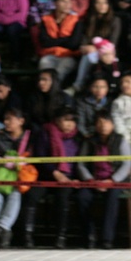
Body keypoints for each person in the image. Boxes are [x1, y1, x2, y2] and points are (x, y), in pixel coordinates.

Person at [23, 105, 83, 248]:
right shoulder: (45, 132)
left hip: (67, 178)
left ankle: (60, 237)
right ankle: (27, 236)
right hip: (46, 176)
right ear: (57, 120)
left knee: (63, 198)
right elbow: (40, 156)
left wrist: (74, 177)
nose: (69, 124)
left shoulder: (78, 137)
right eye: (65, 120)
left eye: (72, 120)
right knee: (32, 196)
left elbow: (80, 161)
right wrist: (55, 173)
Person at [76, 110, 131, 249]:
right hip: (93, 181)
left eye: (106, 122)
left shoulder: (120, 140)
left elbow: (128, 163)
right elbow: (80, 163)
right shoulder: (89, 141)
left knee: (112, 197)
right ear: (95, 125)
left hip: (115, 181)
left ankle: (107, 239)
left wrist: (112, 180)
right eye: (100, 122)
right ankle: (89, 236)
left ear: (112, 124)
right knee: (82, 197)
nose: (103, 126)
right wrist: (90, 180)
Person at [0, 107, 32, 248]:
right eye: (5, 119)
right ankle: (3, 231)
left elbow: (29, 158)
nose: (6, 122)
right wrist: (12, 161)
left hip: (18, 177)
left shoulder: (28, 138)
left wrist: (7, 160)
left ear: (21, 121)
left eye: (10, 119)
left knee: (15, 196)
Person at [37, 0, 82, 84]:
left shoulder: (76, 21)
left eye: (69, 2)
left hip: (68, 56)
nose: (67, 5)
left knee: (62, 69)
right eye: (63, 1)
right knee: (44, 64)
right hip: (49, 55)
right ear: (55, 3)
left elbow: (74, 43)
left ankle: (54, 90)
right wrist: (65, 40)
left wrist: (54, 41)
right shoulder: (46, 20)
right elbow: (45, 42)